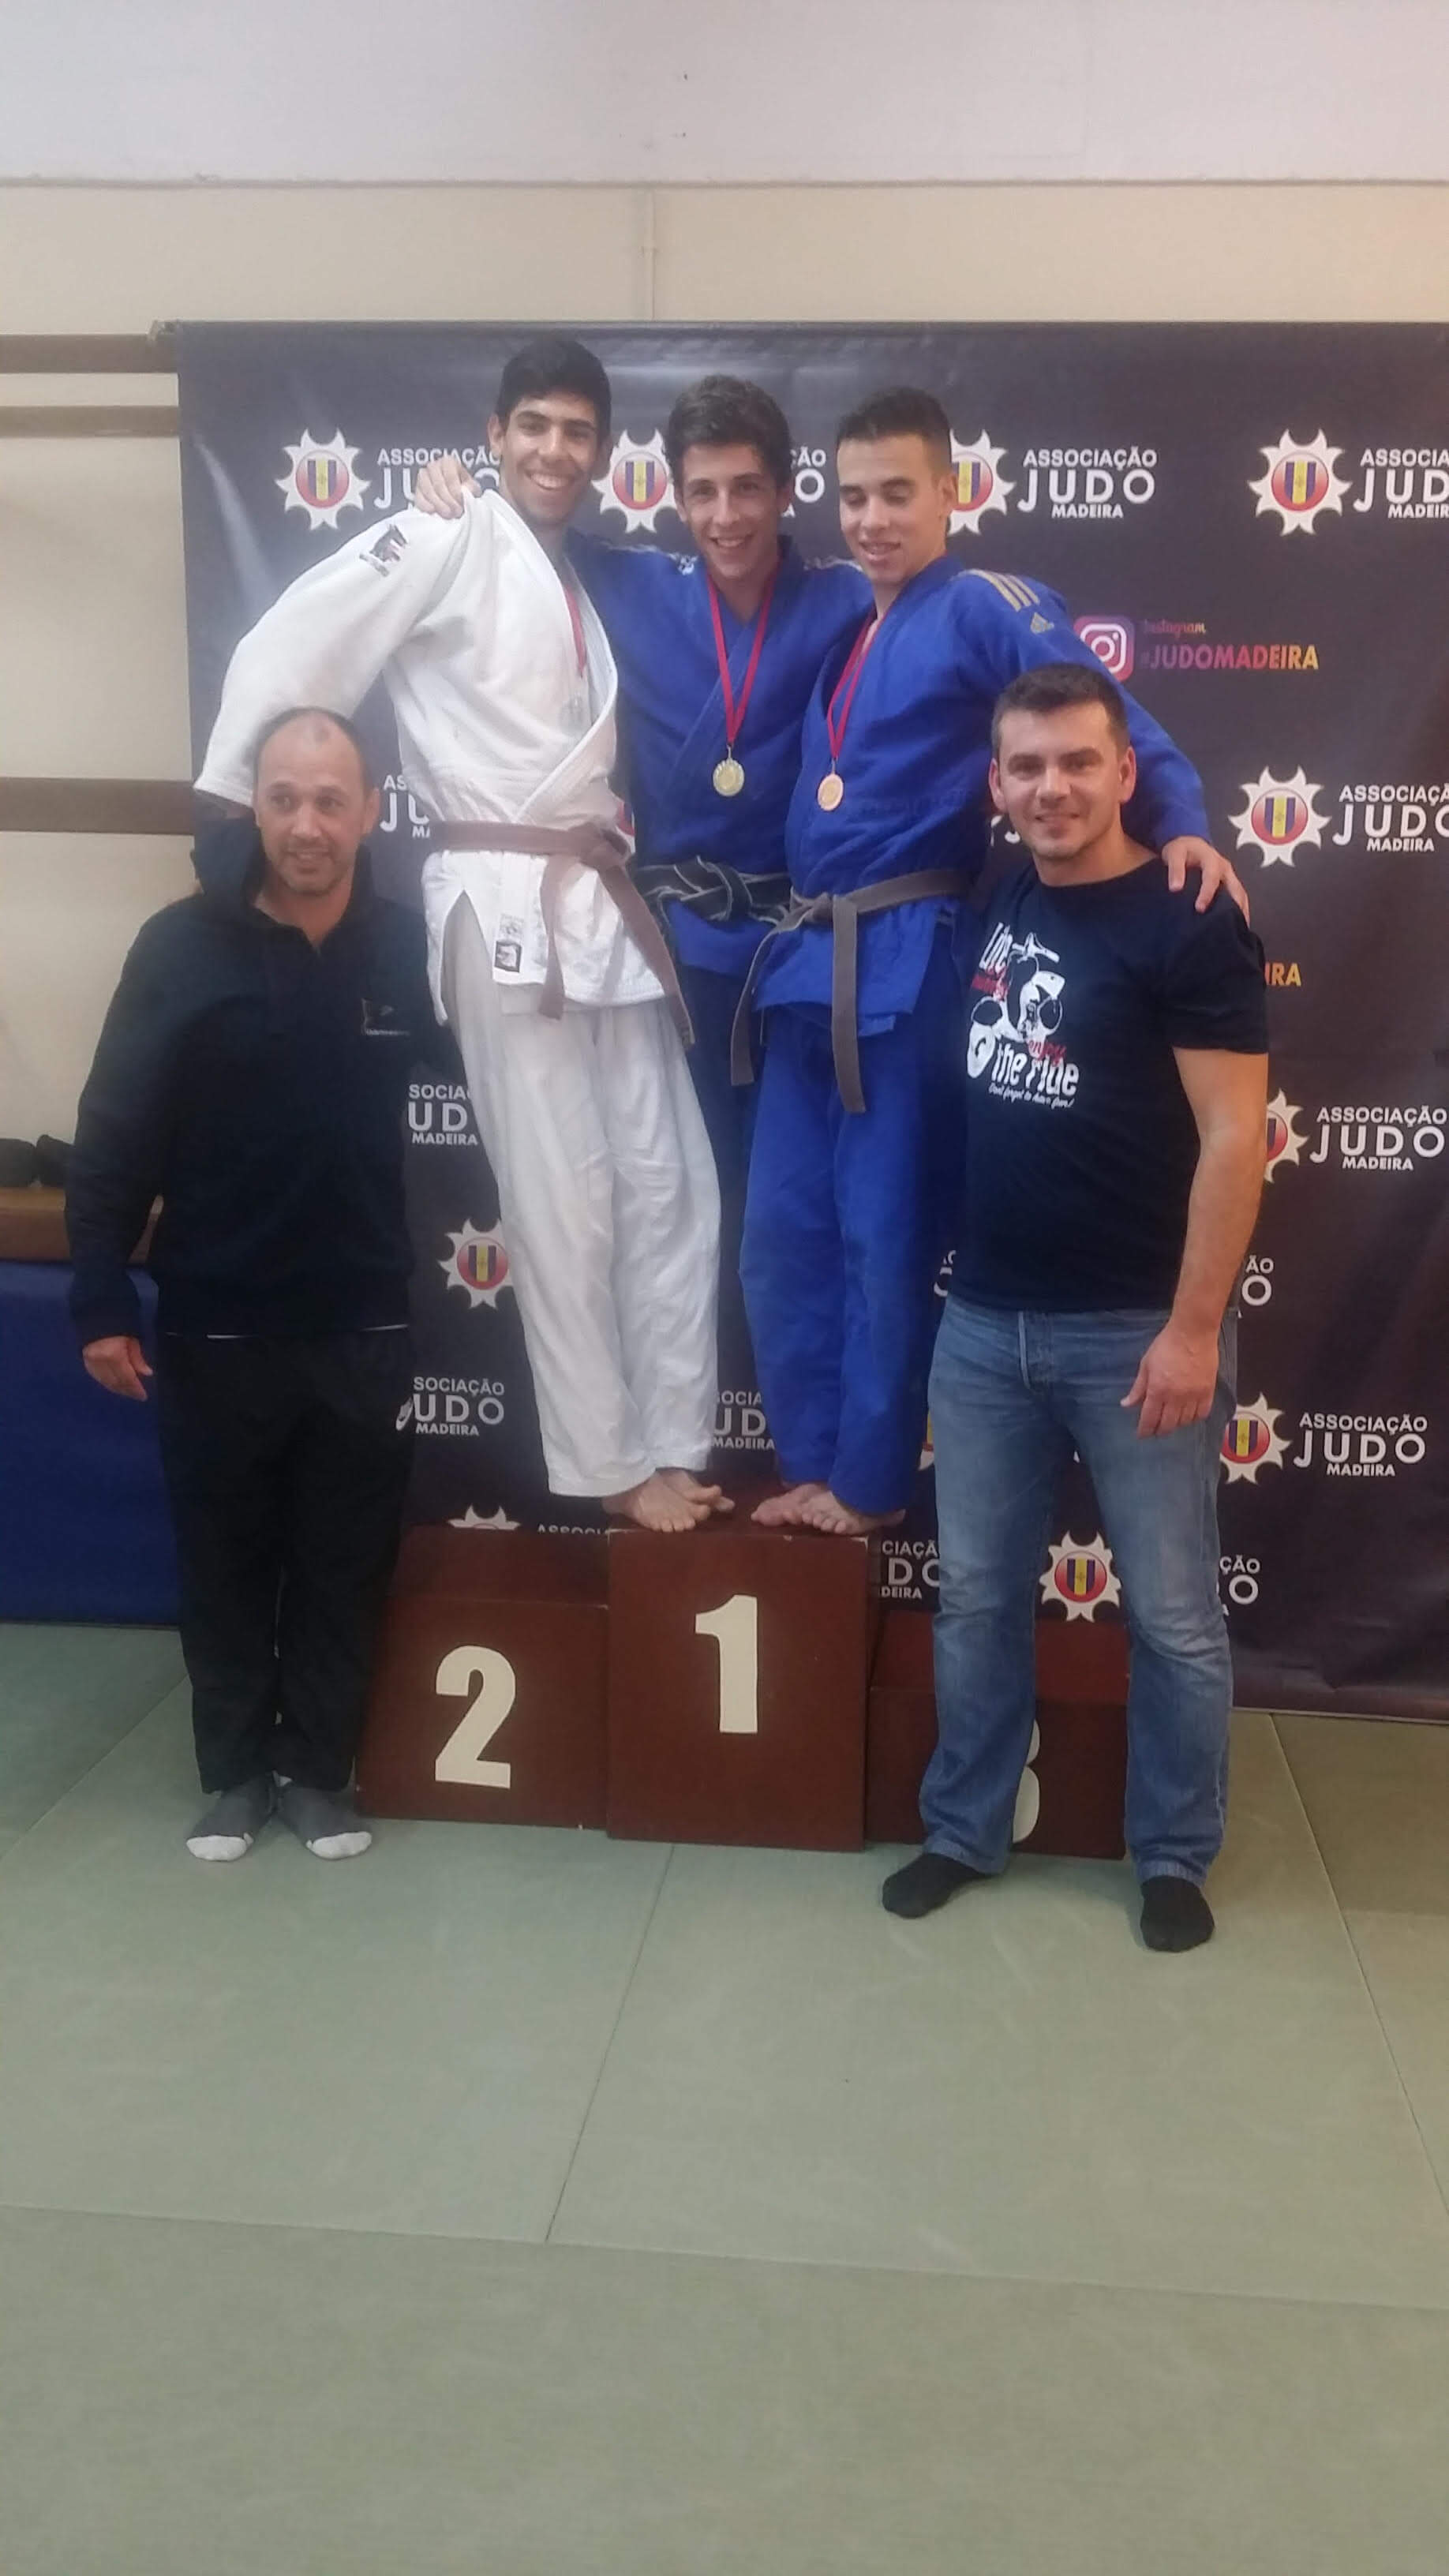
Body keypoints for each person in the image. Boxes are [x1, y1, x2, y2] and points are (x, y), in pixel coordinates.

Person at [197, 335, 724, 1535]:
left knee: (670, 1181)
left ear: (602, 451)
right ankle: (606, 1464)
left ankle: (672, 1436)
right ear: (493, 435)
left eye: (577, 431)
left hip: (594, 898)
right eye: (533, 425)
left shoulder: (574, 576)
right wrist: (236, 813)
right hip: (499, 896)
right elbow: (292, 643)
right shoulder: (443, 533)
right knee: (562, 1195)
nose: (554, 449)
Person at [736, 387, 1245, 1539]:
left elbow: (1102, 712)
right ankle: (812, 1459)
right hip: (810, 961)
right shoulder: (851, 632)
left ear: (951, 493)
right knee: (781, 1237)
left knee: (881, 1234)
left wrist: (1179, 819)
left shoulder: (980, 602)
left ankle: (869, 1482)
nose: (872, 519)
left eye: (897, 493)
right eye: (853, 496)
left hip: (904, 957)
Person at [882, 661, 1268, 1953]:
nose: (1052, 787)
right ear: (997, 785)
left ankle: (1172, 1852)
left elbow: (1235, 1139)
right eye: (1027, 767)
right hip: (985, 1327)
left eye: (1078, 762)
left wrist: (1193, 1331)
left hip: (1135, 1334)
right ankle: (962, 1828)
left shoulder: (1190, 919)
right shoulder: (1000, 894)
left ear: (1125, 772)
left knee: (1172, 1615)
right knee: (977, 1600)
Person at [413, 376, 869, 1354]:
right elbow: (517, 532)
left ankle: (800, 1409)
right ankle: (673, 1412)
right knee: (666, 1204)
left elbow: (1003, 647)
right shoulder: (630, 584)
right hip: (668, 953)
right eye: (702, 492)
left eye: (746, 489)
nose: (724, 516)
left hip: (791, 958)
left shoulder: (842, 595)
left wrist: (1161, 799)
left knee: (793, 1212)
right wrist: (451, 488)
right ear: (673, 495)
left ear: (787, 489)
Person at [67, 710, 447, 1862]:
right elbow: (115, 1128)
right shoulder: (178, 946)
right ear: (254, 808)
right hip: (217, 1323)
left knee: (343, 1562)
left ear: (371, 811)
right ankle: (234, 1774)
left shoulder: (411, 946)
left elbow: (515, 1067)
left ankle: (318, 1774)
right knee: (226, 1563)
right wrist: (98, 1299)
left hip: (364, 1318)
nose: (307, 825)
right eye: (284, 799)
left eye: (330, 800)